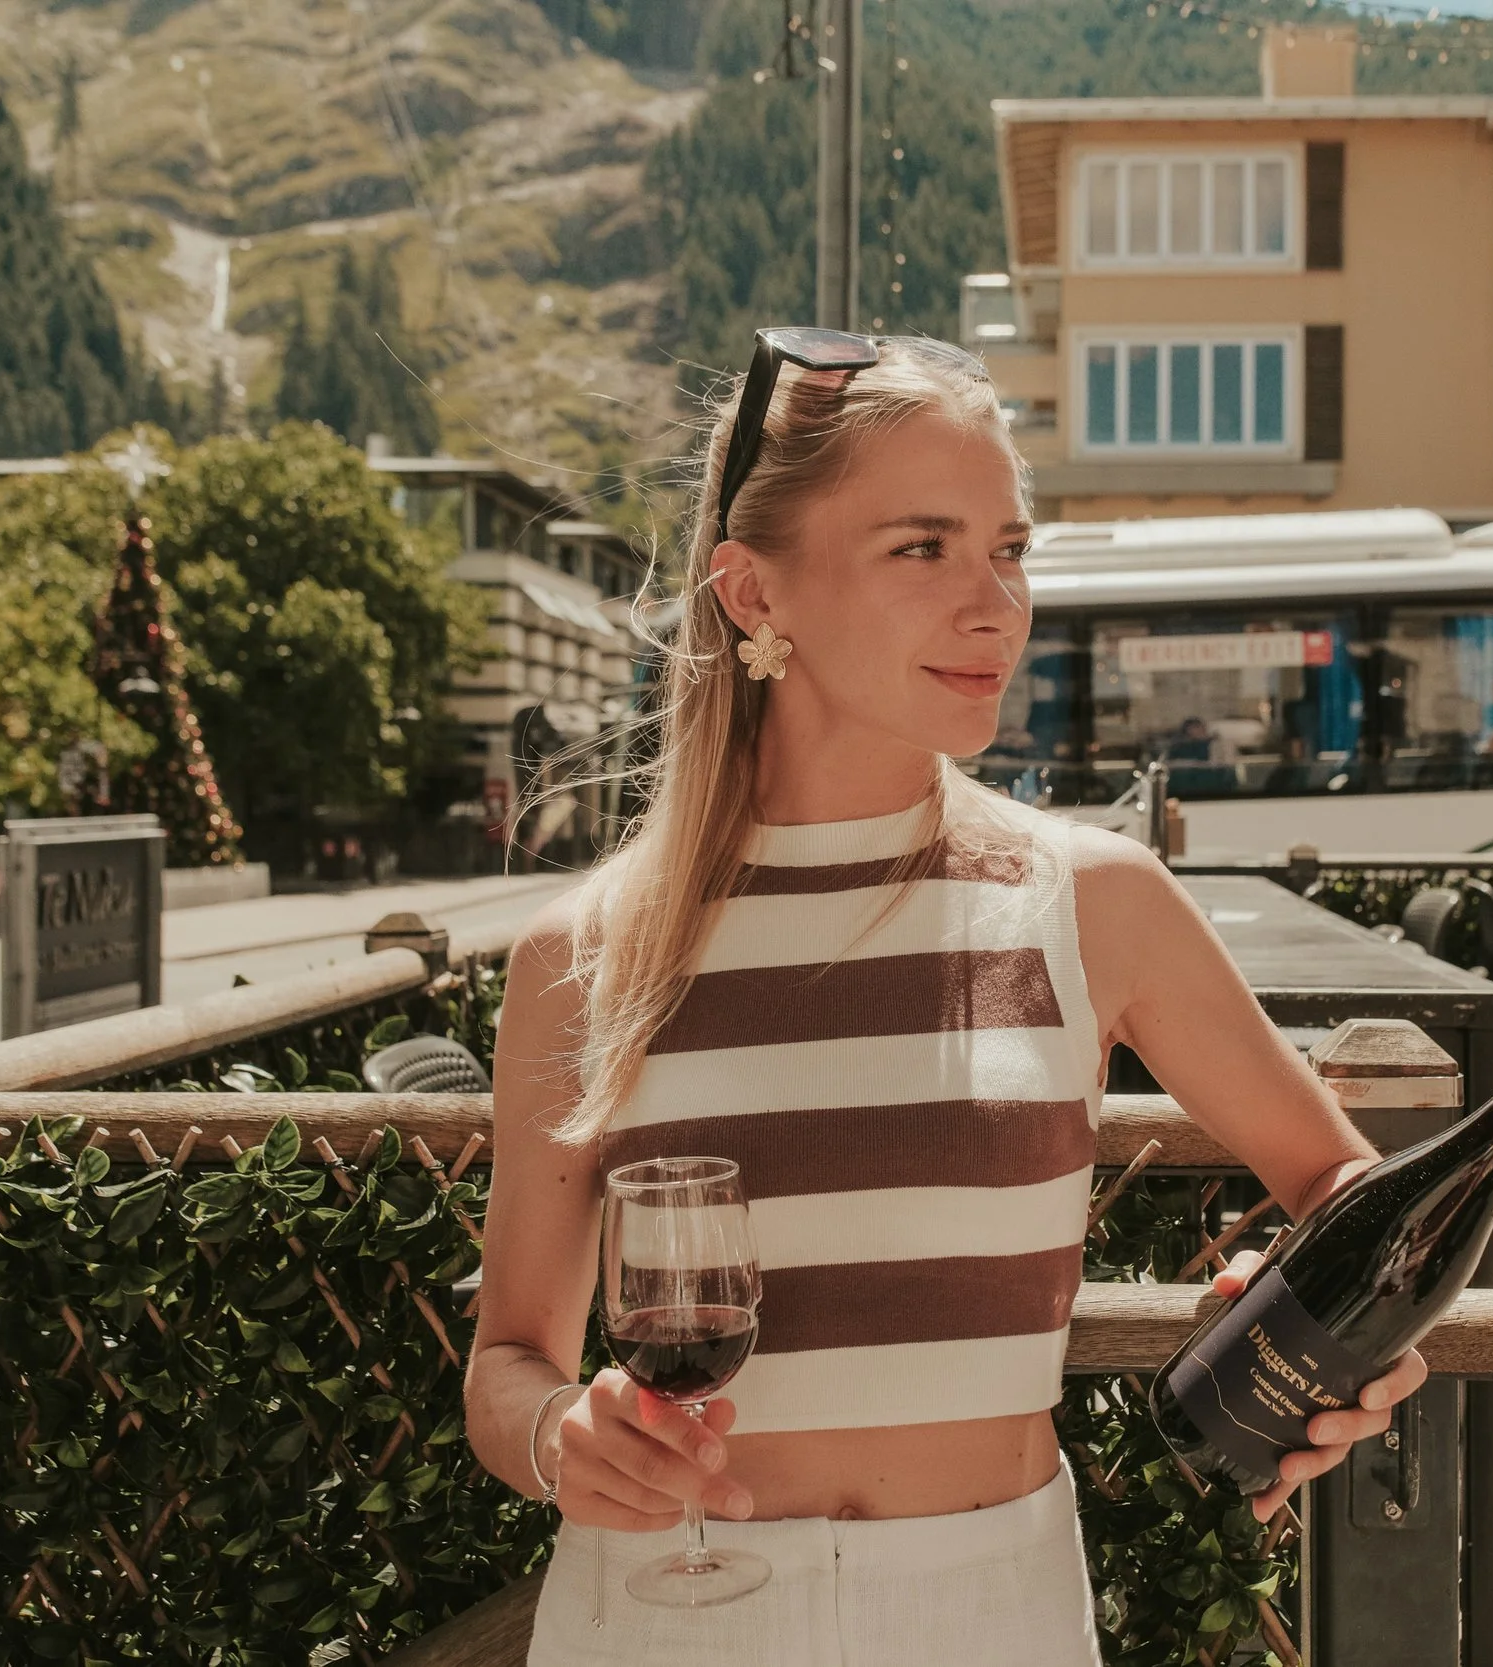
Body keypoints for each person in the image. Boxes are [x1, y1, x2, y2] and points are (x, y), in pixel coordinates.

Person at [466, 330, 1426, 1665]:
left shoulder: (1095, 900)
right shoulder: (586, 955)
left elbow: (1354, 1192)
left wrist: (1329, 1327)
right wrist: (557, 1439)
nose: (995, 603)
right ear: (751, 591)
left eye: (1010, 548)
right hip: (667, 1614)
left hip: (993, 1609)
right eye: (923, 547)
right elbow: (508, 1359)